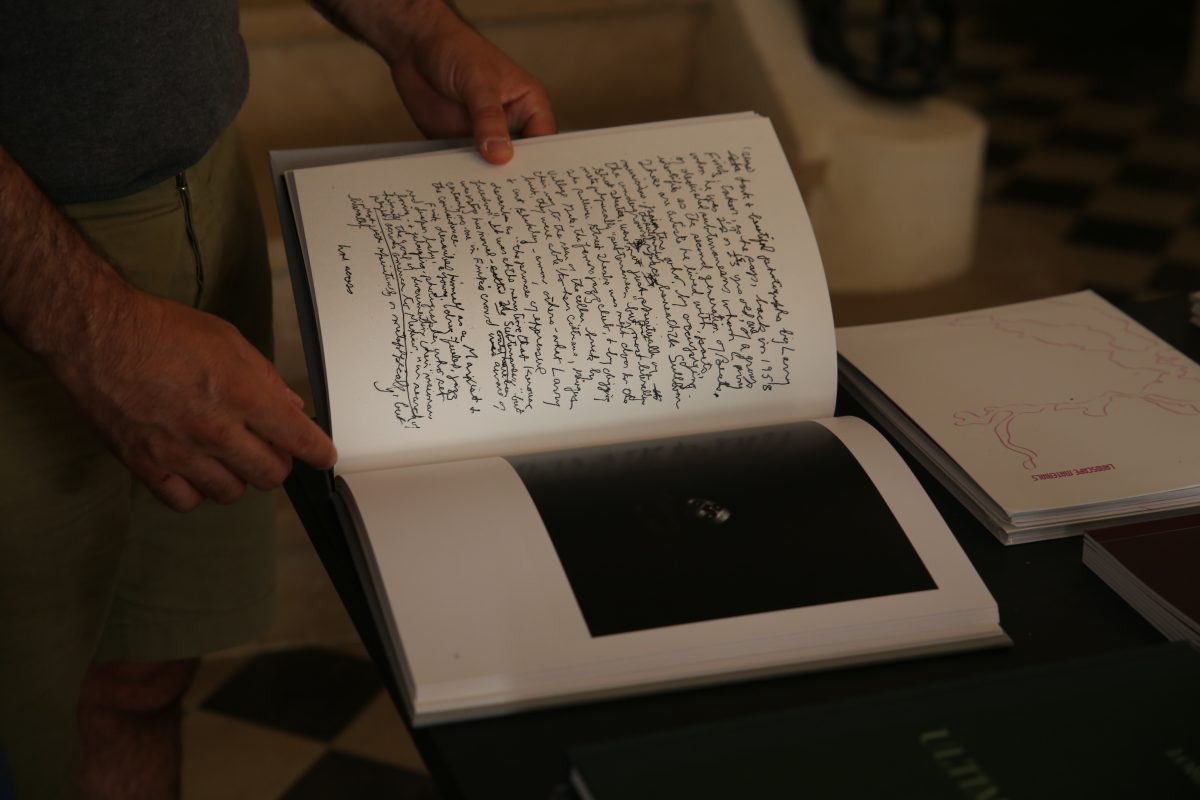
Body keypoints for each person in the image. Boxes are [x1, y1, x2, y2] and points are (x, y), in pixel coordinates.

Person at [0, 1, 555, 797]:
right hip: (26, 263)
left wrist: (417, 27)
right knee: (23, 735)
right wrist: (98, 334)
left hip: (199, 189)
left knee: (139, 681)